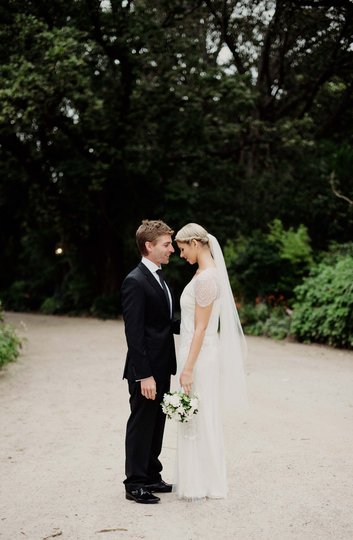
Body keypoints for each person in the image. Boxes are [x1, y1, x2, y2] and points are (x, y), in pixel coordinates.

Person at [174, 223, 247, 501]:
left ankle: (204, 482)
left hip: (200, 355)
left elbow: (202, 328)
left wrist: (188, 369)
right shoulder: (205, 273)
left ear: (195, 243)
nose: (181, 255)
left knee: (200, 415)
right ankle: (199, 479)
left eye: (182, 249)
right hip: (197, 352)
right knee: (197, 414)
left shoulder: (206, 279)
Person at [121, 219, 179, 504]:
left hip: (162, 364)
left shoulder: (159, 276)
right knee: (142, 422)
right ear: (149, 246)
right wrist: (144, 374)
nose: (172, 249)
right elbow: (134, 333)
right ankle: (134, 483)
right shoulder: (135, 281)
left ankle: (152, 475)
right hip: (145, 370)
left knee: (157, 422)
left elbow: (164, 322)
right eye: (167, 244)